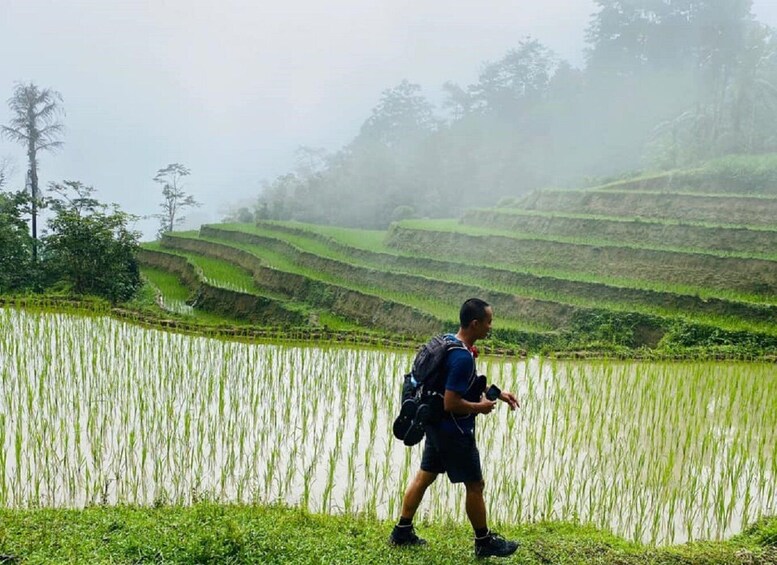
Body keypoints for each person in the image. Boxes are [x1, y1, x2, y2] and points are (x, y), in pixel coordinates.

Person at [389, 298, 520, 558]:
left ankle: (401, 531)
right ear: (475, 323)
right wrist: (479, 407)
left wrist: (497, 392)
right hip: (455, 431)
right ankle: (483, 541)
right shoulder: (462, 357)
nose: (490, 327)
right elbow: (451, 402)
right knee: (475, 484)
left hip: (435, 426)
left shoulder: (450, 342)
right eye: (488, 322)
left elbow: (461, 381)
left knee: (425, 475)